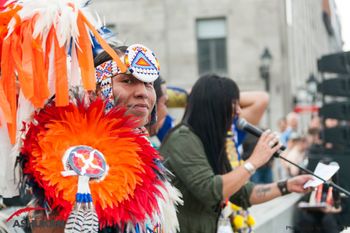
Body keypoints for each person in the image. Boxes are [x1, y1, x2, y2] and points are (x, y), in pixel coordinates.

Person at [160, 74, 312, 233]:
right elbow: (210, 190)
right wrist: (253, 161)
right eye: (234, 104)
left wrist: (287, 186)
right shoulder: (183, 139)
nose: (239, 111)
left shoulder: (212, 141)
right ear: (216, 106)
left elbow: (243, 193)